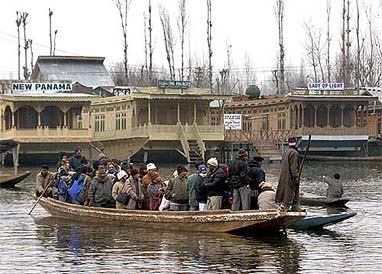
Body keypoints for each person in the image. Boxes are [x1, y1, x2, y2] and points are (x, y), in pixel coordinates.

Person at [275, 136, 302, 212]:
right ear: (295, 143)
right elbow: (294, 167)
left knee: (288, 192)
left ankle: (293, 207)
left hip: (285, 175)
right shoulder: (294, 153)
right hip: (290, 177)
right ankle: (289, 208)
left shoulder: (286, 151)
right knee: (290, 192)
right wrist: (296, 177)